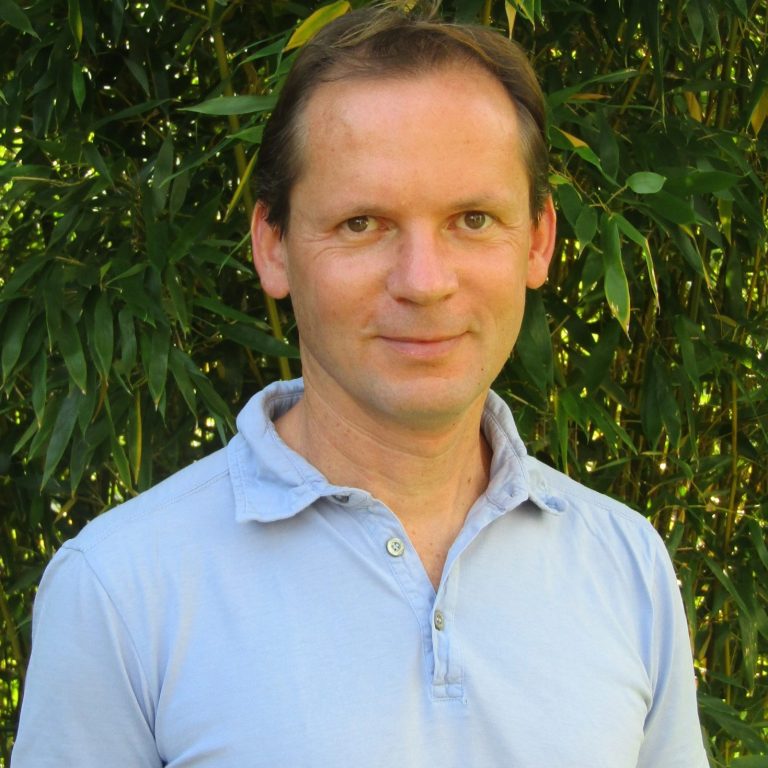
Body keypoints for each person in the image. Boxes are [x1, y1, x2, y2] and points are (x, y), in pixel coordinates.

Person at [12, 3, 708, 767]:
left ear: (538, 241)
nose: (424, 282)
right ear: (272, 247)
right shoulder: (119, 593)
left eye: (474, 219)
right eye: (362, 224)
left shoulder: (627, 565)